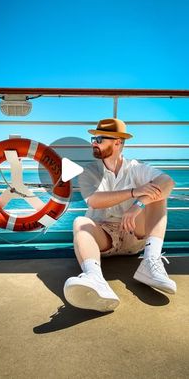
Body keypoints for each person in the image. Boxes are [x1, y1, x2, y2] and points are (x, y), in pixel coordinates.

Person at [63, 118, 176, 312]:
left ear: (117, 142)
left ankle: (150, 262)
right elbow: (93, 200)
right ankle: (95, 279)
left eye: (99, 139)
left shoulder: (136, 168)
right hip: (104, 239)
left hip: (134, 235)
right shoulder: (89, 171)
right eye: (93, 139)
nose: (94, 143)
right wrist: (134, 192)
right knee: (80, 222)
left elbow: (167, 182)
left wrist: (138, 205)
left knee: (158, 194)